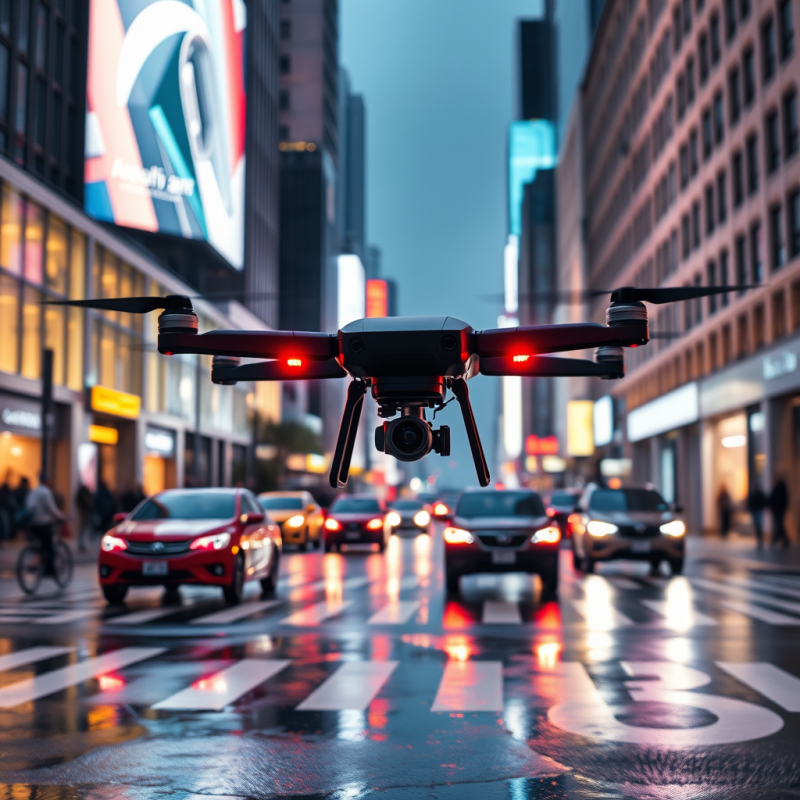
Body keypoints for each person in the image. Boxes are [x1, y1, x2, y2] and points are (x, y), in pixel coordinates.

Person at [25, 474, 66, 572]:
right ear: (47, 481)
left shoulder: (33, 492)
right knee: (50, 546)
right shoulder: (46, 492)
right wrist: (61, 517)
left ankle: (35, 562)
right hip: (43, 524)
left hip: (32, 524)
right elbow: (52, 509)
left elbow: (28, 506)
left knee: (41, 545)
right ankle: (49, 569)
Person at [769, 476, 790, 549]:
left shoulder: (779, 487)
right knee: (779, 524)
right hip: (778, 509)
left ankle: (779, 539)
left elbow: (779, 499)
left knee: (779, 524)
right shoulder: (777, 487)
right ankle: (781, 539)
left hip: (779, 510)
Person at [75, 483, 94, 553]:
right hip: (85, 512)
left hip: (85, 512)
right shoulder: (84, 493)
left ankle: (82, 544)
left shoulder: (84, 493)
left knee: (84, 529)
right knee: (83, 529)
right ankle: (81, 544)